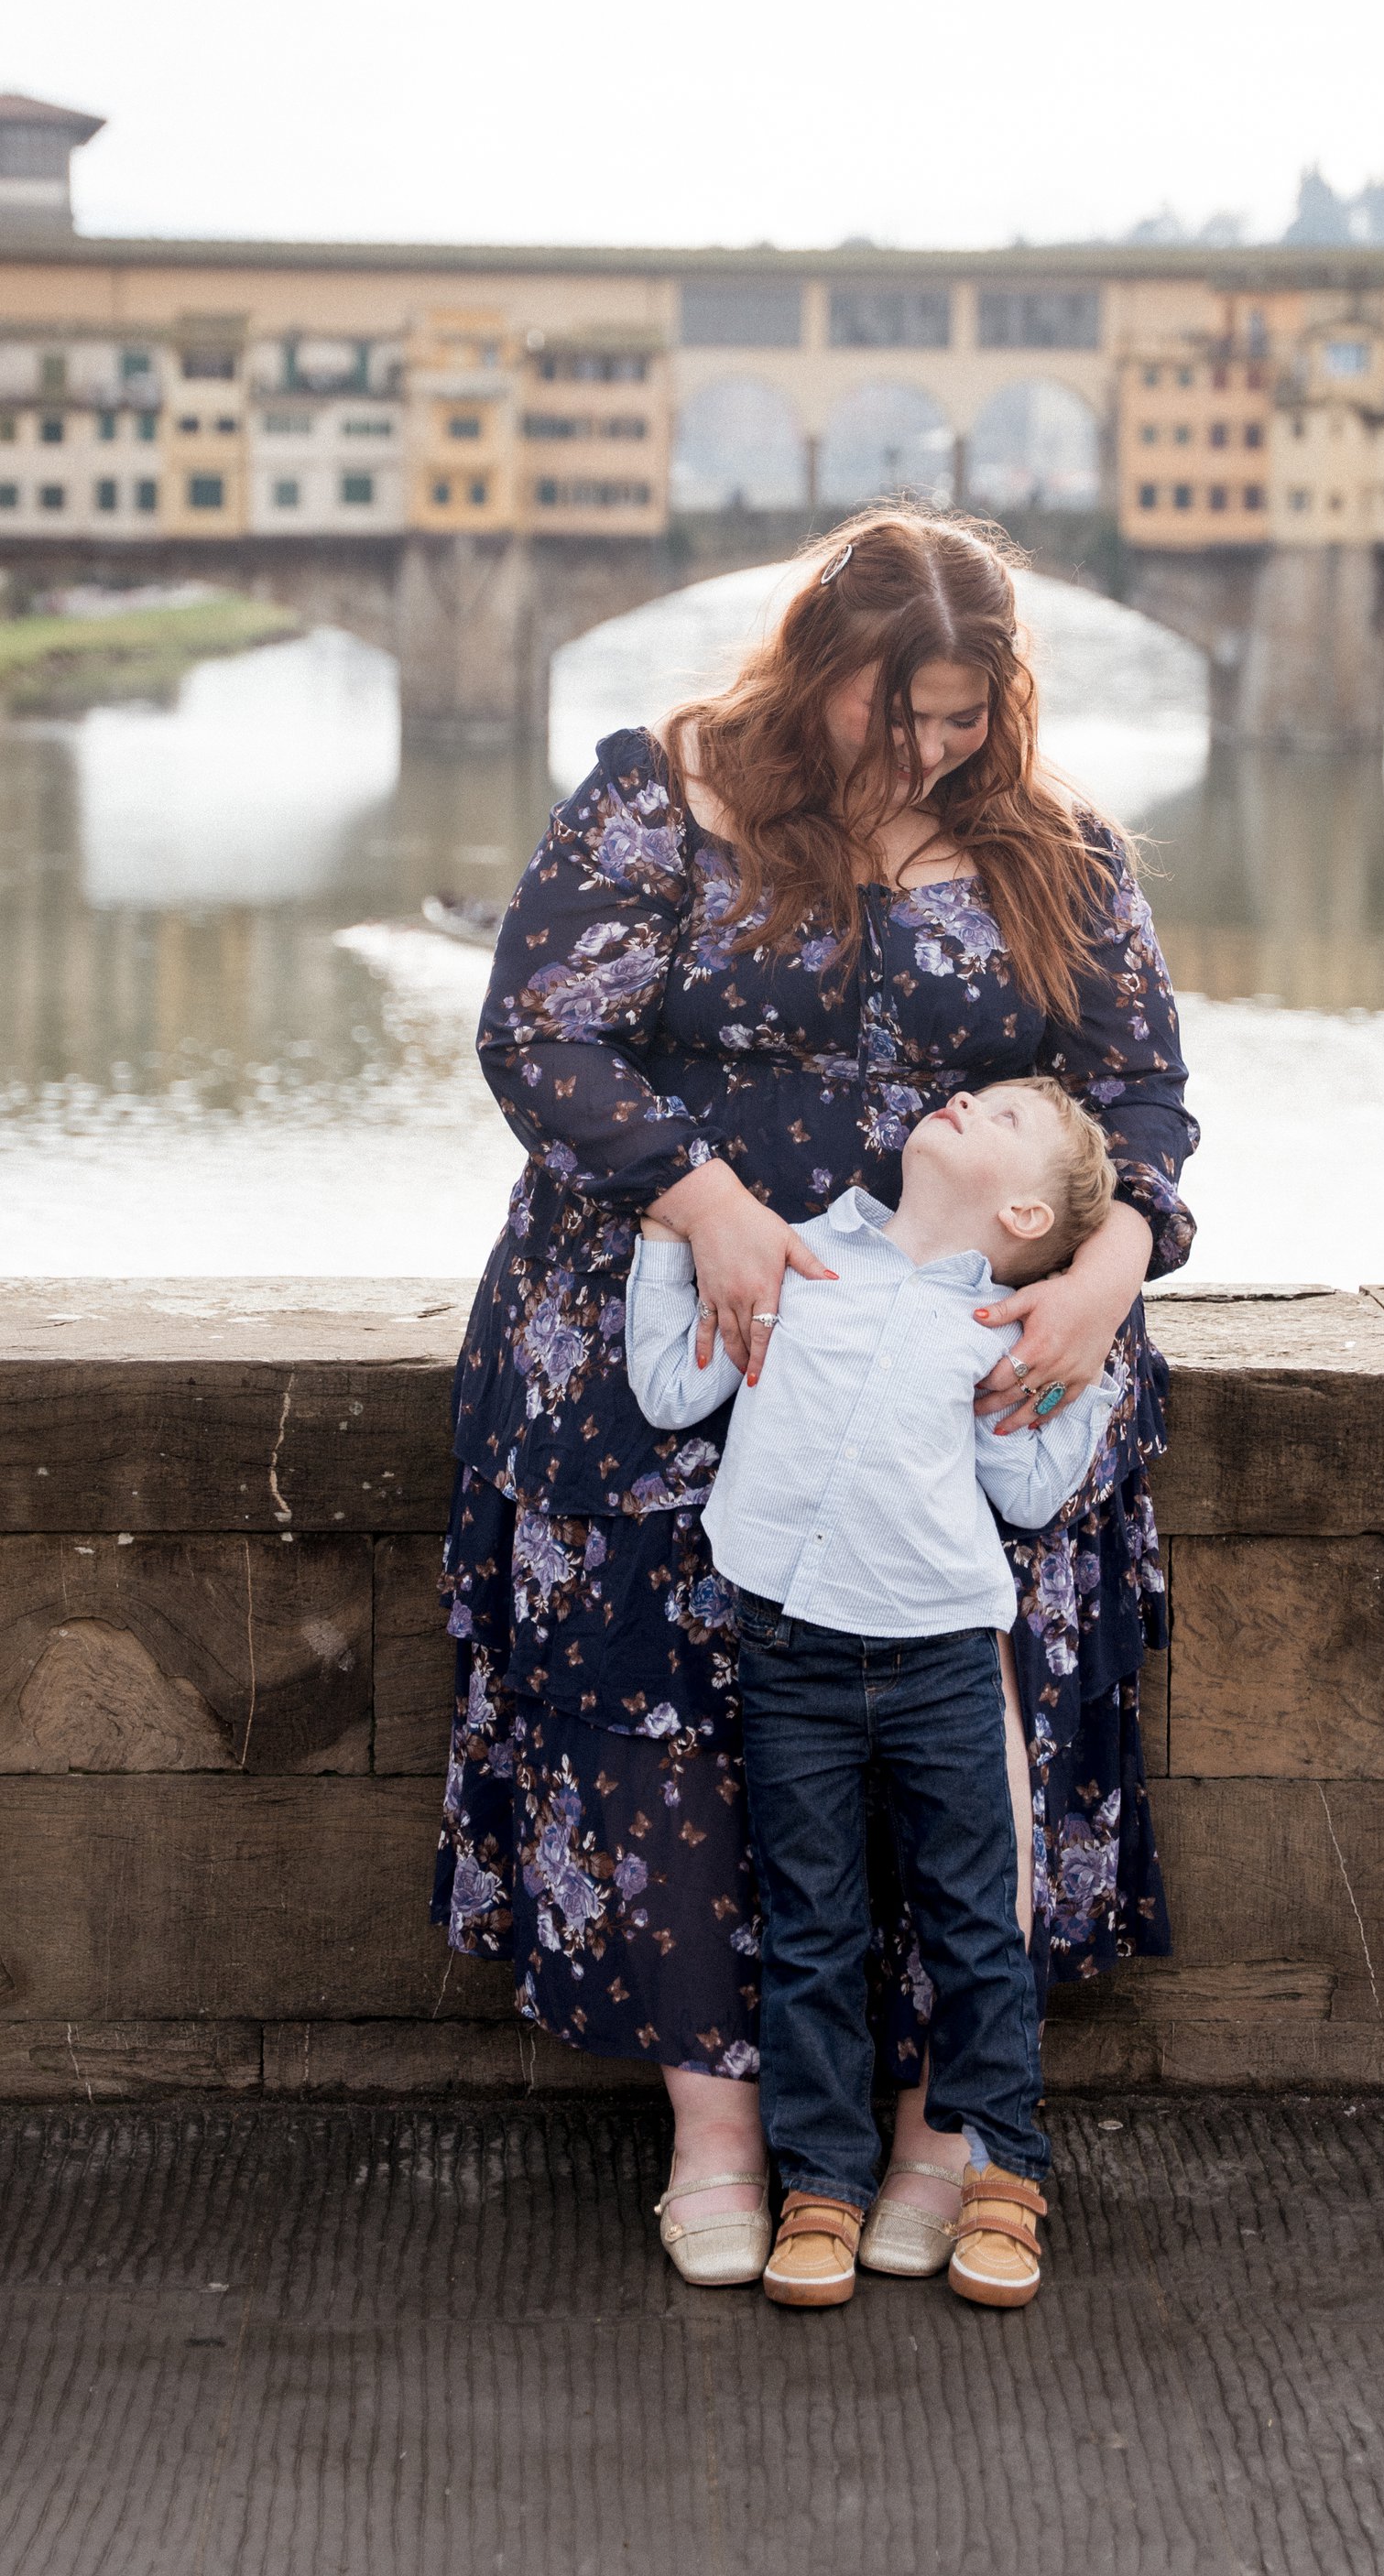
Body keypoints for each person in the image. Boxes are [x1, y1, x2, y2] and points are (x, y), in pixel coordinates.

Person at [430, 506, 1197, 2294]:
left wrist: (1113, 1261)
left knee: (962, 1737)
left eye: (961, 714)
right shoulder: (667, 793)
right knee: (671, 1717)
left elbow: (1143, 1097)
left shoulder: (1057, 847)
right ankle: (718, 2135)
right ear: (814, 663)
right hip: (673, 1352)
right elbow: (540, 1034)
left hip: (950, 1363)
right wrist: (702, 1200)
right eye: (891, 708)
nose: (925, 748)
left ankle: (943, 2131)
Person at [627, 1080, 1120, 2308]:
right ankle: (823, 2187)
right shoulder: (791, 1256)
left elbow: (1028, 1490)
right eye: (978, 1096)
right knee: (813, 1930)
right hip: (788, 1656)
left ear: (1023, 1214)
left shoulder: (1001, 1325)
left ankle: (1004, 2174)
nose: (965, 1099)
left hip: (942, 1662)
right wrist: (668, 1233)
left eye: (1004, 1117)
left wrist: (1093, 1369)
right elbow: (671, 1390)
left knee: (974, 1930)